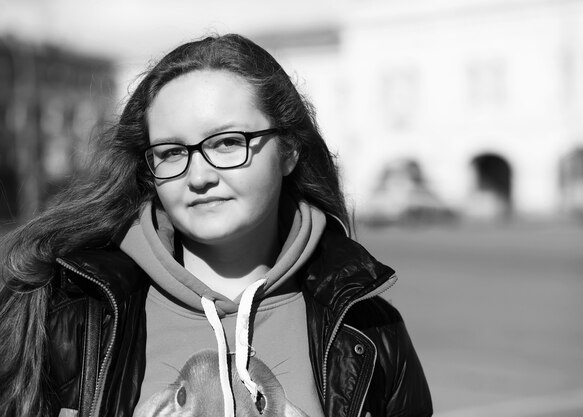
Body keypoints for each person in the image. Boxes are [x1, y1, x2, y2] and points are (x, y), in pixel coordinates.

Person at [0, 33, 432, 417]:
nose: (199, 176)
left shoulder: (370, 329)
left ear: (288, 151)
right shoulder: (66, 311)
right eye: (171, 152)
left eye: (227, 143)